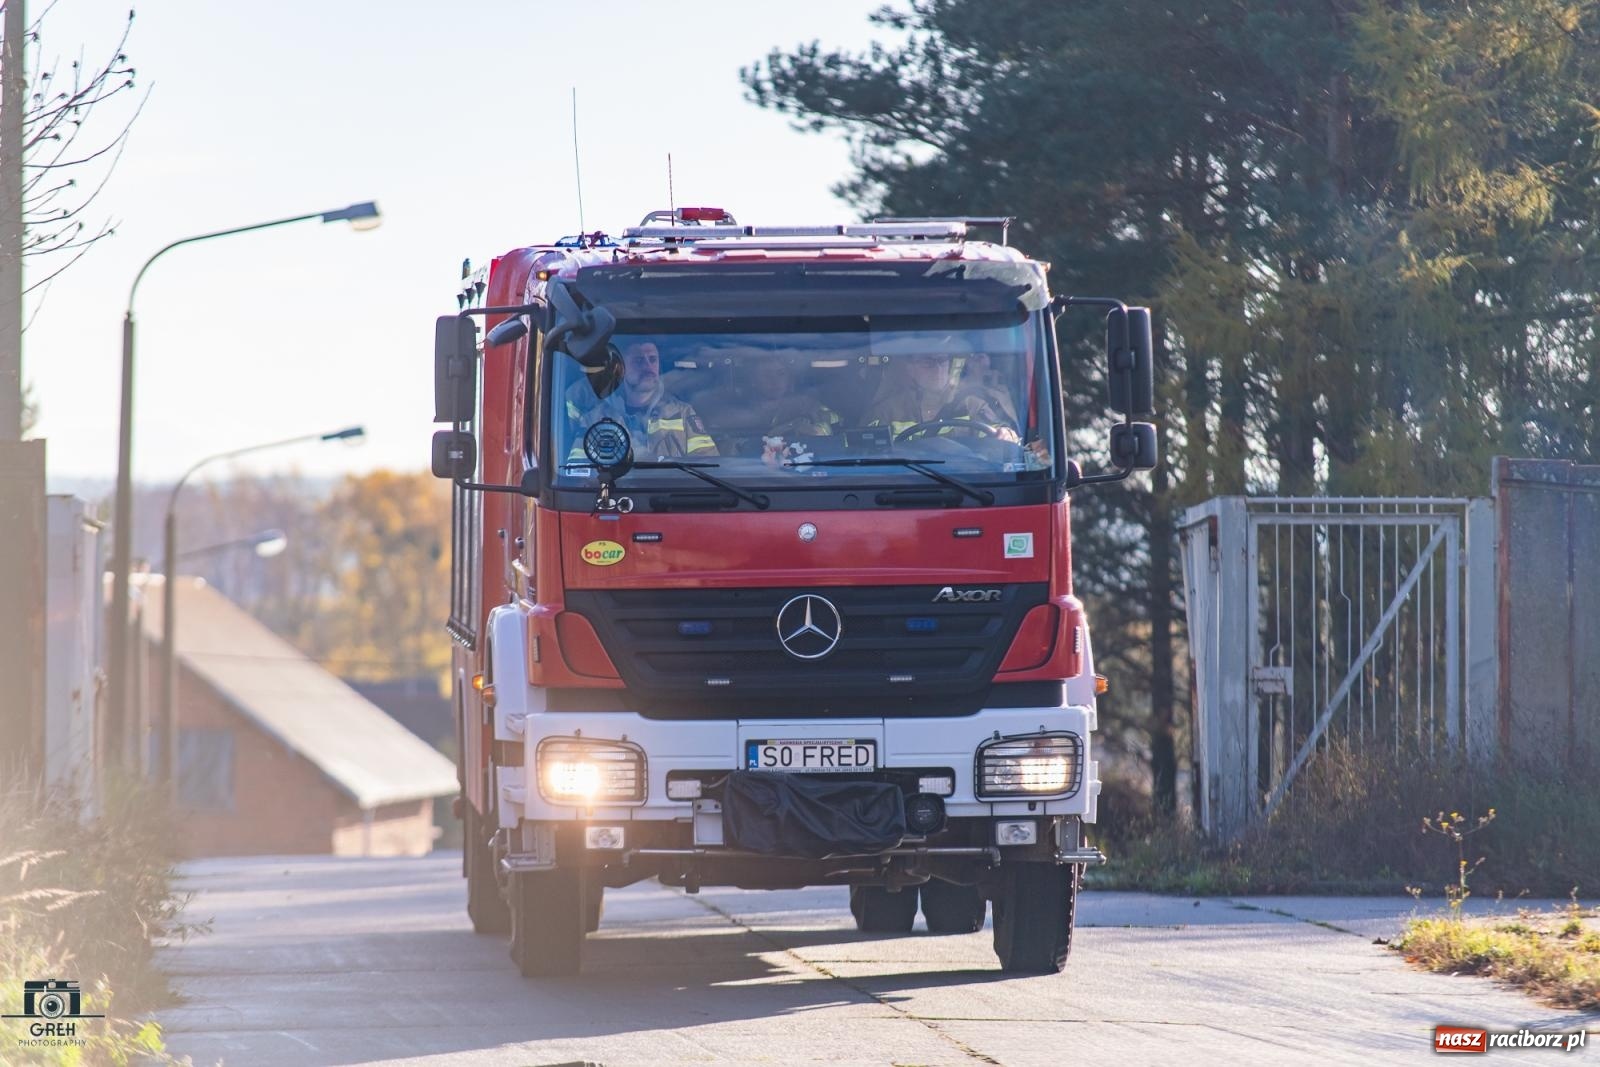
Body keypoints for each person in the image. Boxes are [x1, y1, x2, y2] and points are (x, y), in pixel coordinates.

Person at [577, 340, 717, 458]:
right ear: (619, 368)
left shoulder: (682, 413)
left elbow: (707, 463)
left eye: (653, 359)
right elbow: (578, 474)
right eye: (638, 360)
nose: (648, 367)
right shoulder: (594, 419)